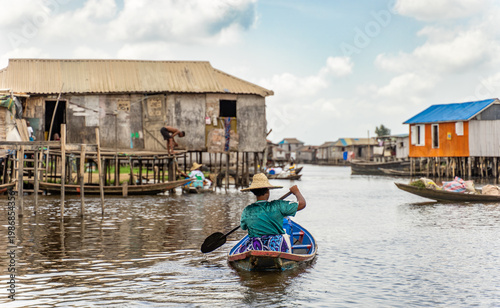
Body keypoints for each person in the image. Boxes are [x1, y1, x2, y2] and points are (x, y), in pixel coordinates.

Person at [238, 173, 306, 253]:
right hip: (276, 247)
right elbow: (302, 204)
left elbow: (244, 227)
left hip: (255, 246)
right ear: (267, 191)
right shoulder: (278, 205)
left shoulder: (247, 210)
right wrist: (296, 192)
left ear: (254, 192)